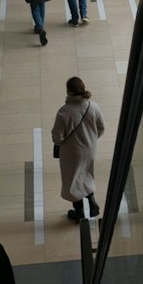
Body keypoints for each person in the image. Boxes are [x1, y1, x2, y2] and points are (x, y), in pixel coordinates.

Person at [52, 76, 105, 222]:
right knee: (87, 174)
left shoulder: (64, 112)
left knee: (73, 180)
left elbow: (57, 137)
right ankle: (92, 202)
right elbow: (101, 127)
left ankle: (79, 211)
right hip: (90, 148)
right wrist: (92, 139)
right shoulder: (93, 106)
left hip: (72, 152)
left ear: (69, 92)